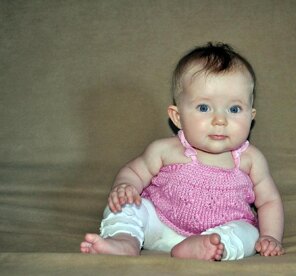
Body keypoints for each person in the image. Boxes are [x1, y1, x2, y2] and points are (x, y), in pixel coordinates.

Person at [80, 42, 285, 261]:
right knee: (127, 205)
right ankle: (124, 240)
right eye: (204, 108)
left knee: (248, 233)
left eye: (234, 109)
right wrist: (125, 186)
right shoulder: (165, 150)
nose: (220, 120)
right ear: (177, 117)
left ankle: (209, 248)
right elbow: (135, 171)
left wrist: (271, 236)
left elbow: (269, 201)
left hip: (217, 233)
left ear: (251, 116)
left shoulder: (250, 159)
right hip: (159, 226)